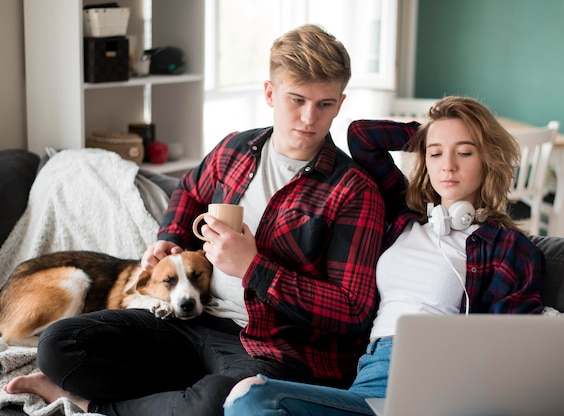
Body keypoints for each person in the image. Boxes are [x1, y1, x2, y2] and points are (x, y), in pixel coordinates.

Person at [4, 24, 385, 415]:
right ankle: (171, 397)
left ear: (340, 103)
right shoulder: (237, 149)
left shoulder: (354, 191)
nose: (309, 118)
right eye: (297, 99)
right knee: (58, 344)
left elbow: (352, 311)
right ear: (270, 93)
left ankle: (90, 403)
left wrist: (254, 267)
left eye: (324, 104)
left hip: (270, 345)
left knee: (214, 405)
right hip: (193, 319)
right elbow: (188, 190)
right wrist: (169, 237)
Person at [222, 96, 546, 415]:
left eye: (464, 151)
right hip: (368, 385)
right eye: (435, 153)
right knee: (249, 395)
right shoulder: (407, 215)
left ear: (488, 158)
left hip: (432, 383)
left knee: (253, 398)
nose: (447, 165)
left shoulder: (510, 249)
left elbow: (509, 359)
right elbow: (363, 136)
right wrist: (431, 130)